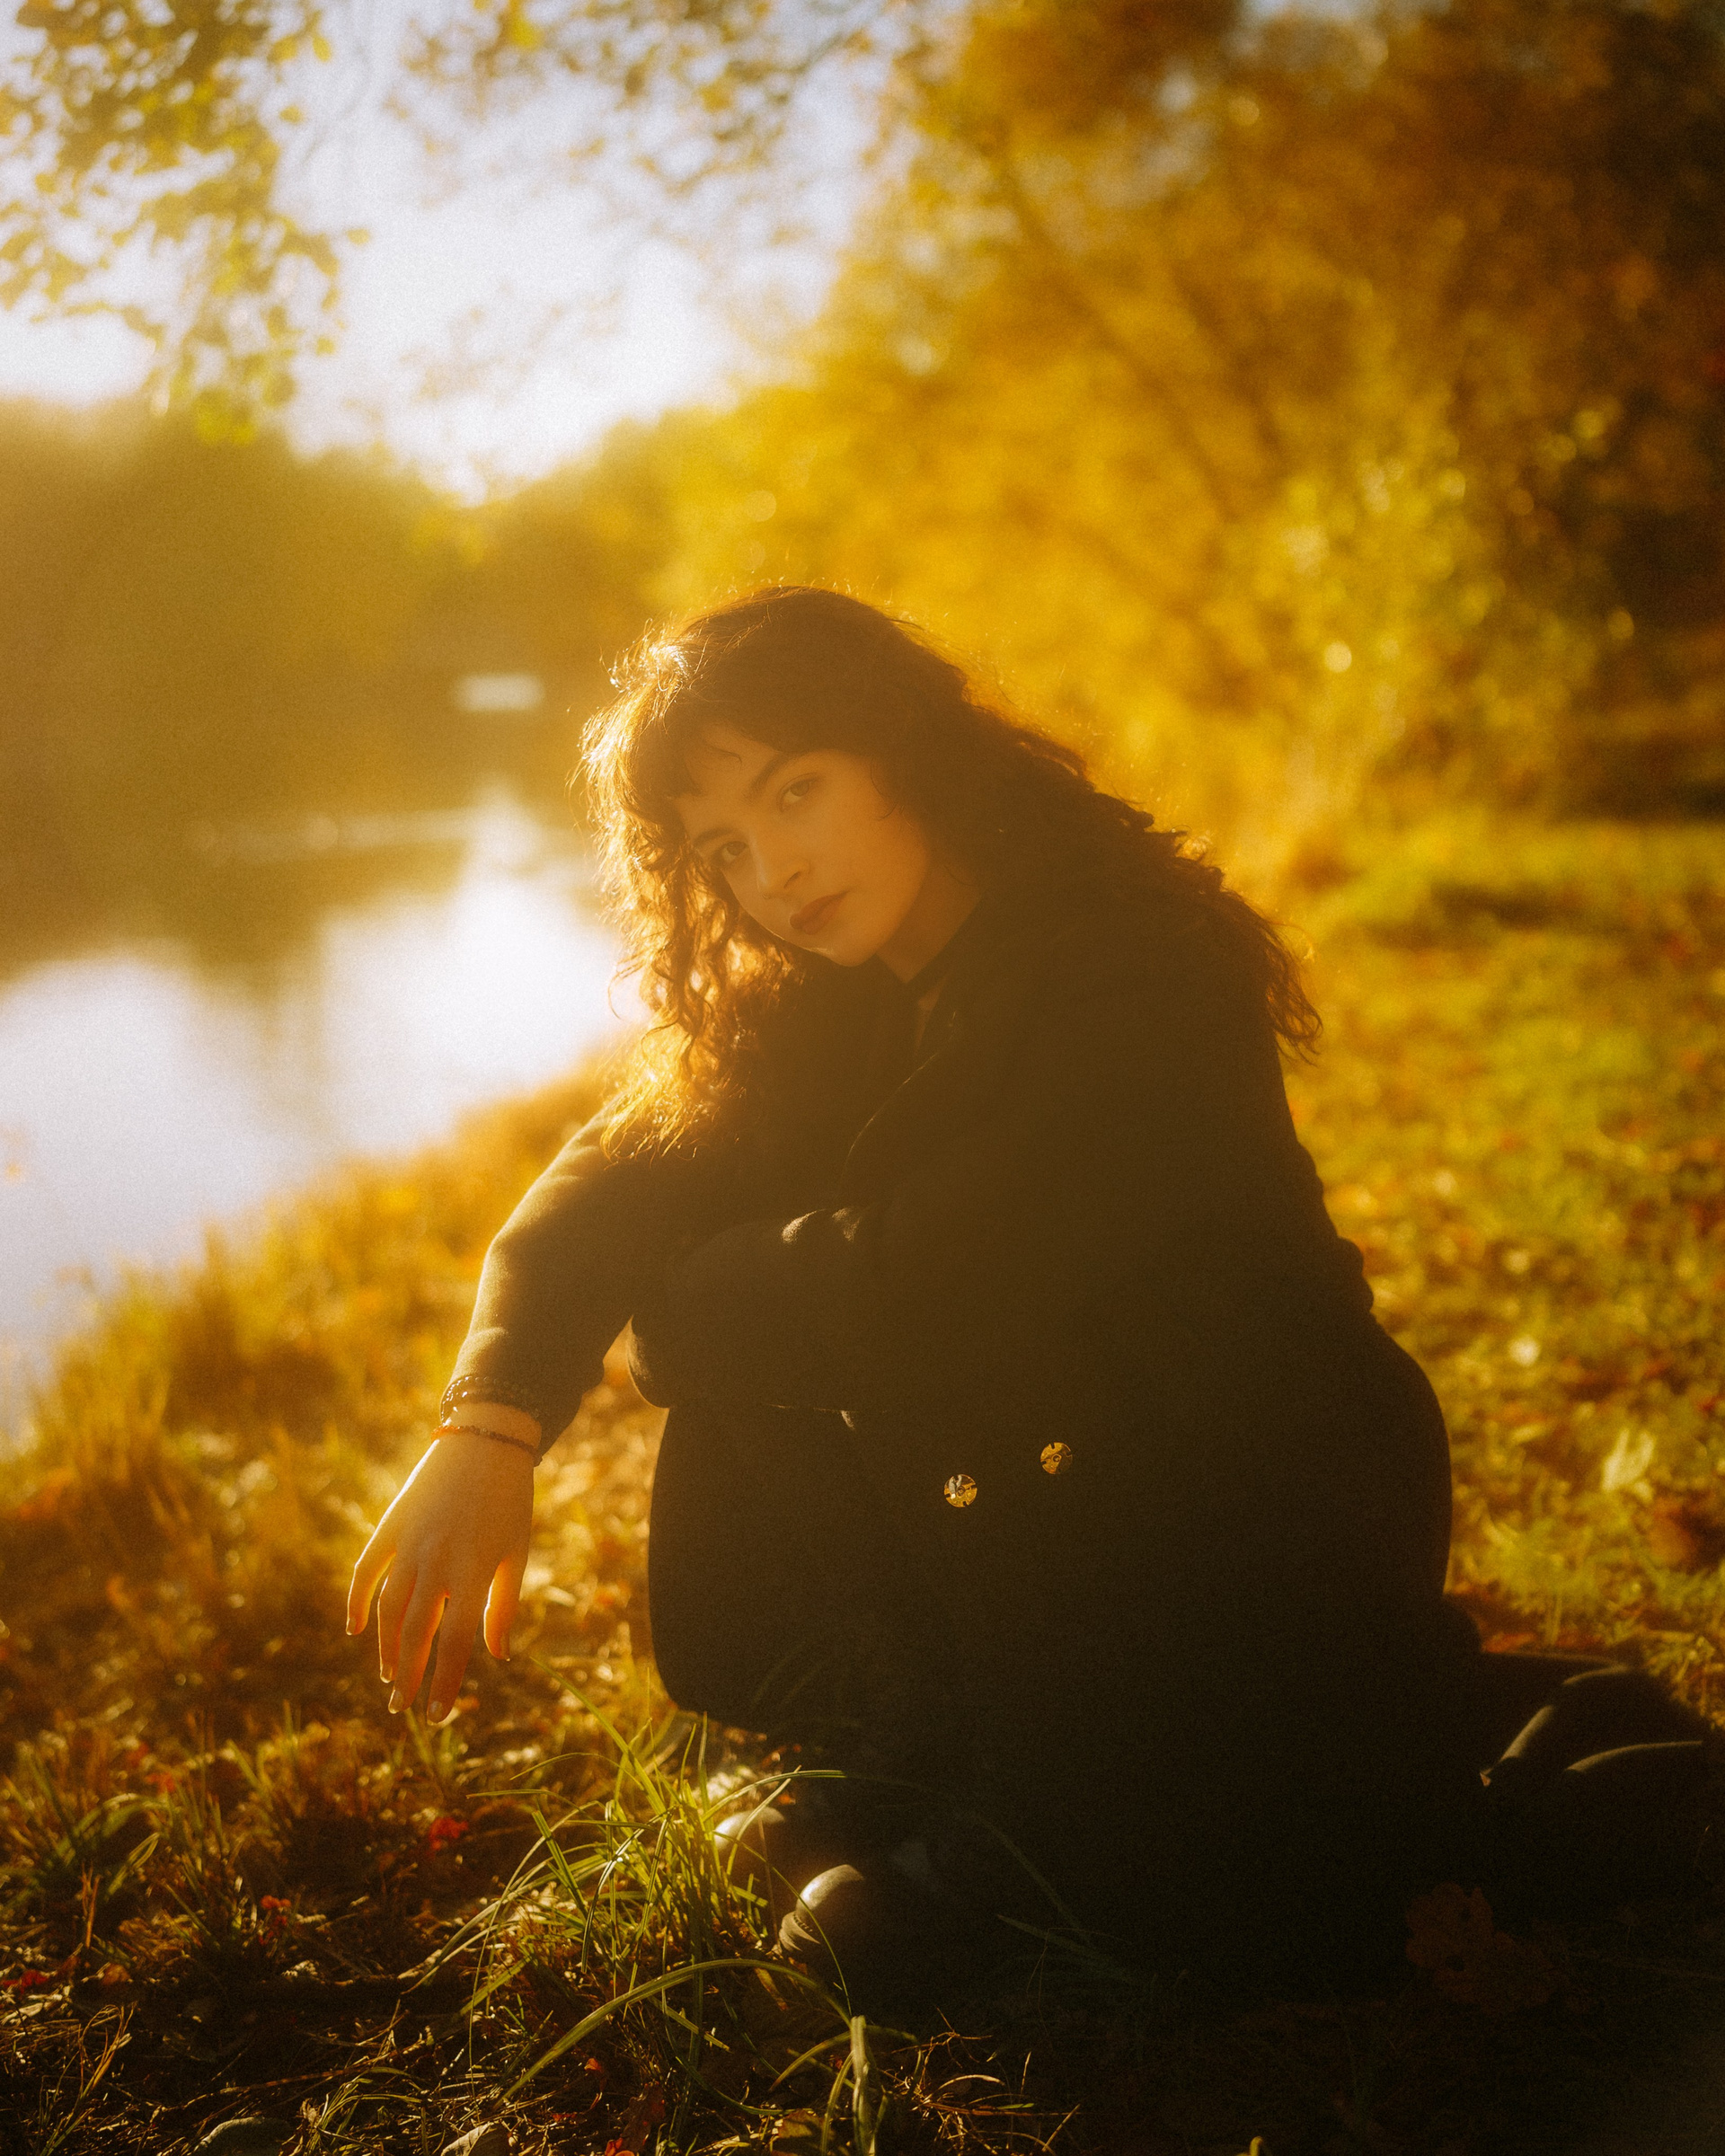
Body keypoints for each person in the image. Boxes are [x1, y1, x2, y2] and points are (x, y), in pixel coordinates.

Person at [347, 587, 1719, 1996]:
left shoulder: (1130, 960)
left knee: (1043, 1928)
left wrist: (675, 1314)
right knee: (747, 1290)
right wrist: (490, 1425)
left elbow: (933, 1279)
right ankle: (945, 1733)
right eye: (725, 849)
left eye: (796, 791)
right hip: (1057, 1499)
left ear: (900, 747)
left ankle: (1357, 1756)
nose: (775, 872)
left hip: (1249, 1507)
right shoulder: (837, 983)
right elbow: (615, 1176)